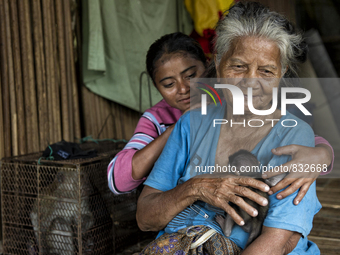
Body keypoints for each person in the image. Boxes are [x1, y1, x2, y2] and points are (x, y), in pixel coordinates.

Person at [137, 2, 327, 254]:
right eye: (238, 66)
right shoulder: (192, 123)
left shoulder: (293, 136)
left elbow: (279, 241)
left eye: (267, 71)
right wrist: (196, 186)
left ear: (281, 75)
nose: (250, 82)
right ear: (218, 61)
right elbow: (146, 217)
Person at [107, 32, 333, 205]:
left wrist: (322, 154)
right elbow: (119, 180)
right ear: (156, 86)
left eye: (191, 75)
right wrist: (174, 131)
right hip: (178, 211)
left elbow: (298, 137)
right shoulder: (157, 118)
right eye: (168, 84)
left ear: (209, 66)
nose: (184, 89)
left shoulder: (231, 101)